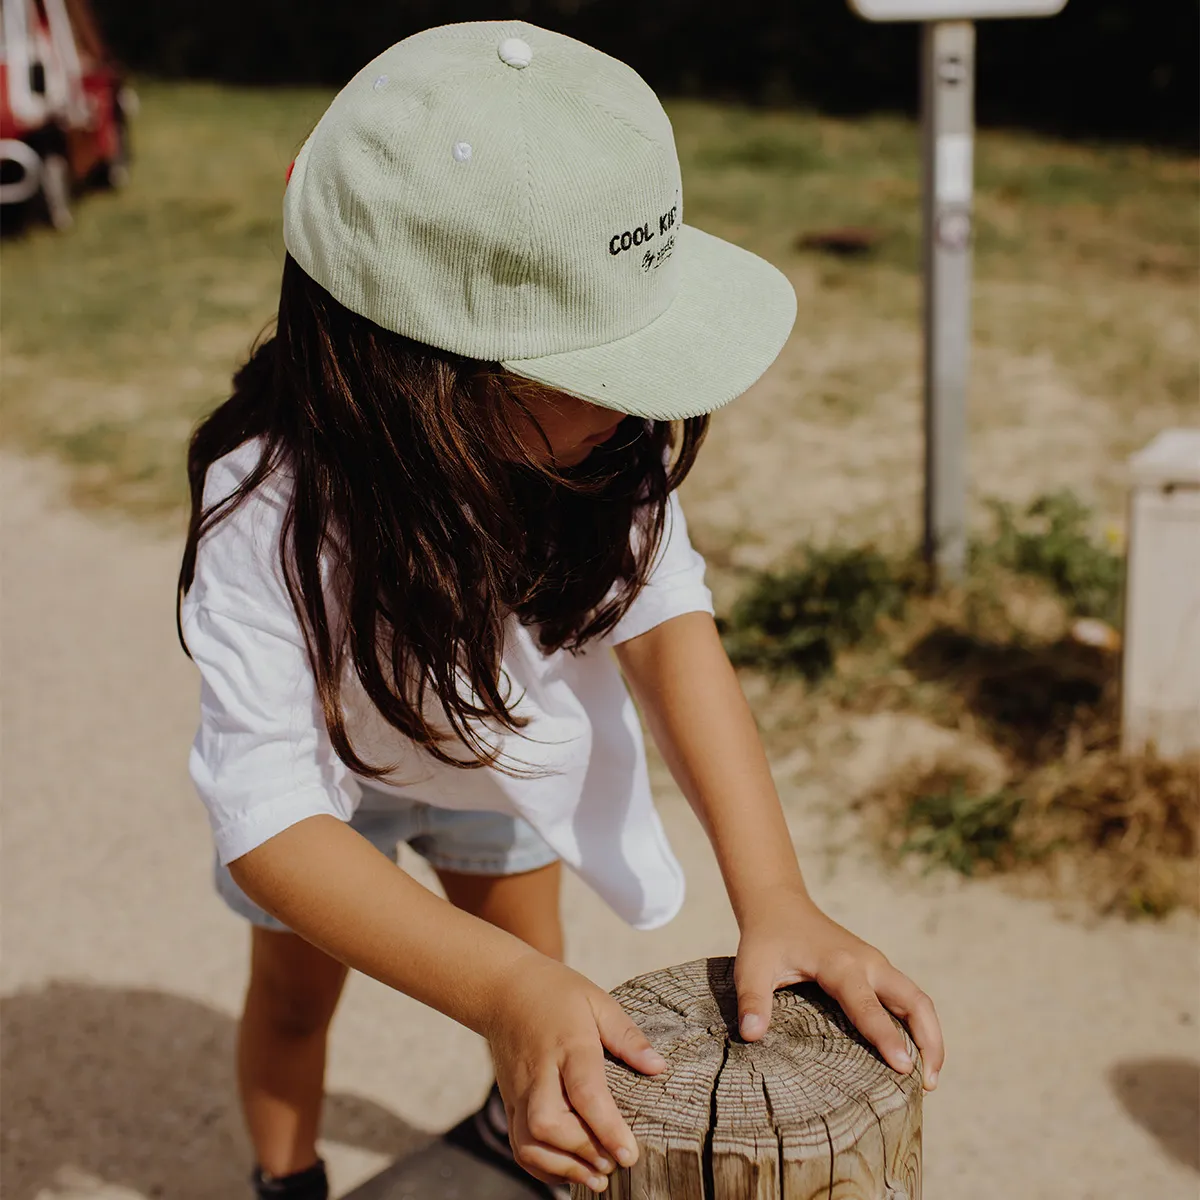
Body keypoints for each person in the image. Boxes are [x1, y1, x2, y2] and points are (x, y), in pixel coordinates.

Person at [177, 20, 945, 1200]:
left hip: (494, 763)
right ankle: (285, 1182)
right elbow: (272, 814)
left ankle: (512, 1125)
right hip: (326, 795)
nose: (643, 407)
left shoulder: (602, 455)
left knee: (537, 975)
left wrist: (776, 895)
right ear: (416, 377)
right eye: (604, 372)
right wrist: (502, 994)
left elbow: (671, 633)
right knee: (295, 1003)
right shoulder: (265, 505)